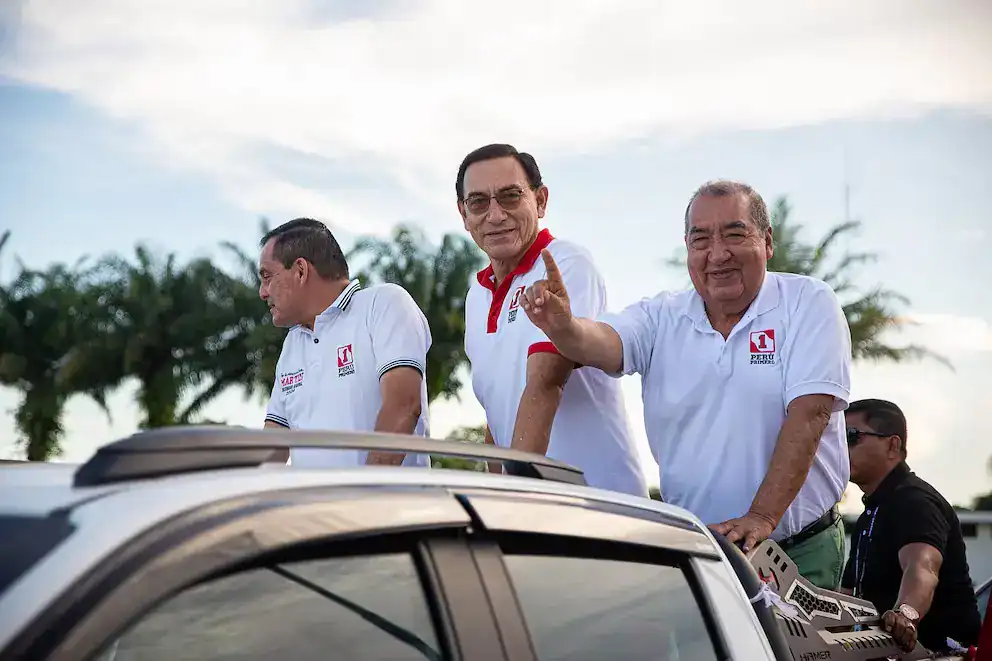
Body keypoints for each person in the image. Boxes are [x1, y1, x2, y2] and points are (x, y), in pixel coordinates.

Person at [520, 179, 851, 589]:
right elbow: (601, 343)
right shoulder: (662, 316)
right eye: (701, 240)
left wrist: (762, 517)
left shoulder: (808, 302)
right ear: (688, 249)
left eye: (734, 234)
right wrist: (564, 326)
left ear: (767, 241)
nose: (718, 254)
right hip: (701, 552)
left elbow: (810, 414)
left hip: (795, 550)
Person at [457, 143, 646, 496]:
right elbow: (497, 416)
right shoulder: (477, 296)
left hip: (599, 505)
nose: (495, 215)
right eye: (478, 202)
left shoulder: (566, 262)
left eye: (510, 196)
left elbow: (545, 383)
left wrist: (512, 498)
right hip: (538, 507)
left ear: (540, 201)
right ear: (464, 214)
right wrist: (494, 496)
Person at [260, 217, 431, 469]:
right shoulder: (292, 344)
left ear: (300, 271)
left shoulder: (383, 304)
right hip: (313, 497)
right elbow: (273, 446)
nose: (262, 292)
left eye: (267, 277)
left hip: (387, 495)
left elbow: (403, 406)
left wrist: (362, 490)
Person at [841, 398, 981, 653]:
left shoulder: (915, 501)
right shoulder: (871, 512)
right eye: (836, 438)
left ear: (892, 445)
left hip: (943, 653)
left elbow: (923, 567)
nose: (839, 448)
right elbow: (848, 593)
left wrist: (905, 615)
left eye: (851, 436)